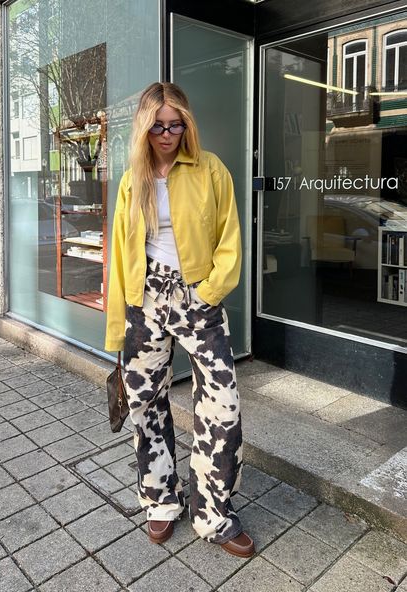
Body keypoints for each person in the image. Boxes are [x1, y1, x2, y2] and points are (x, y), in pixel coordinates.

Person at [105, 82, 254, 558]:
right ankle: (161, 501)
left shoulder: (211, 169)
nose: (167, 134)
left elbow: (231, 236)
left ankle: (212, 512)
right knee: (145, 405)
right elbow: (120, 253)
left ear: (187, 124)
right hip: (143, 300)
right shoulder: (134, 179)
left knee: (222, 406)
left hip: (198, 299)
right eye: (158, 126)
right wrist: (118, 326)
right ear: (144, 128)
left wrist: (208, 292)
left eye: (176, 124)